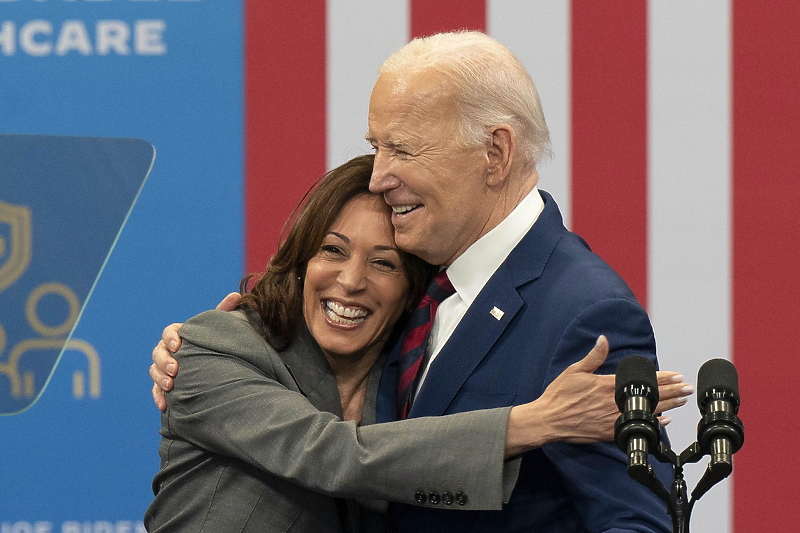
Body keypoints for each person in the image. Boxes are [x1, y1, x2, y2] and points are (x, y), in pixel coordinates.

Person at [152, 32, 693, 532]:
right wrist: (201, 349)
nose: (378, 174)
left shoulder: (581, 309)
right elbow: (339, 447)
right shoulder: (419, 295)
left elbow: (639, 521)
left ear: (495, 153)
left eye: (403, 149)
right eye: (377, 145)